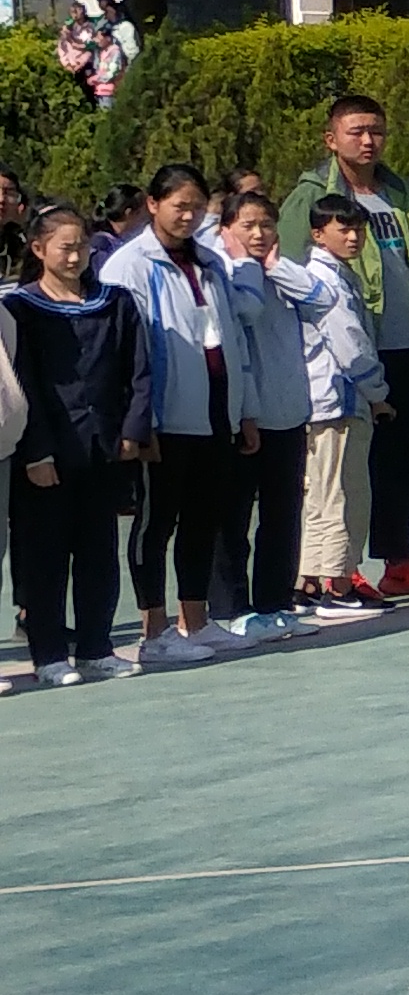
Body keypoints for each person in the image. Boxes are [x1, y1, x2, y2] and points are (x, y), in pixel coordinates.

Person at [281, 93, 409, 598]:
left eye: (376, 130)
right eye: (356, 130)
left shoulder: (402, 191)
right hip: (358, 353)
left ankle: (400, 557)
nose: (368, 140)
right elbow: (295, 277)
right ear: (330, 138)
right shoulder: (313, 197)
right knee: (352, 471)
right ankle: (343, 565)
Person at [99, 169, 244, 667]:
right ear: (152, 204)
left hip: (213, 410)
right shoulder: (129, 267)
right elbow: (123, 354)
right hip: (163, 419)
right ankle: (153, 630)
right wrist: (142, 423)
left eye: (197, 207)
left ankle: (196, 620)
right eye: (179, 205)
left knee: (204, 519)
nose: (188, 216)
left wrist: (241, 410)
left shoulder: (208, 262)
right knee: (155, 523)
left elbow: (229, 338)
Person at [9, 199, 142, 683]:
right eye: (65, 248)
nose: (74, 257)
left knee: (99, 553)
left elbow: (138, 371)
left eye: (82, 246)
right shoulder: (20, 310)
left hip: (101, 447)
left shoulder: (115, 302)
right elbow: (20, 384)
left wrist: (131, 431)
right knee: (45, 558)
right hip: (46, 451)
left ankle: (96, 647)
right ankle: (49, 655)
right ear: (39, 249)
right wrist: (35, 449)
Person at [208, 190, 316, 640]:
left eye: (266, 224)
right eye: (247, 225)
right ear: (225, 231)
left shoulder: (277, 270)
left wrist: (274, 264)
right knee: (232, 517)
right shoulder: (223, 274)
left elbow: (320, 297)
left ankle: (275, 601)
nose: (259, 233)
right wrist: (249, 265)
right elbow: (244, 314)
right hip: (242, 416)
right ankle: (231, 607)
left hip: (288, 411)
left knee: (283, 513)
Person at [296, 194, 386, 607]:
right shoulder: (327, 282)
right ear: (318, 233)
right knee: (342, 494)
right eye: (343, 228)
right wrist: (378, 392)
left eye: (359, 229)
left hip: (326, 402)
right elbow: (350, 345)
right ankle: (338, 583)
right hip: (338, 400)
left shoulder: (330, 275)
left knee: (322, 494)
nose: (354, 237)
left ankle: (311, 579)